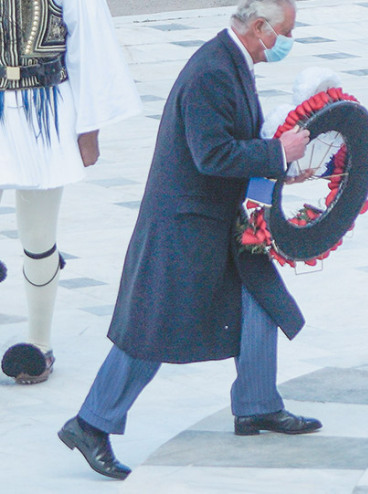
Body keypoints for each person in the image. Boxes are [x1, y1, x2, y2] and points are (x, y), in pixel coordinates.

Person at [58, 0, 320, 480]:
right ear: (260, 28)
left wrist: (278, 164)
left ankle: (257, 404)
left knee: (260, 300)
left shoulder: (230, 61)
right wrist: (277, 152)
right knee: (153, 328)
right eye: (286, 32)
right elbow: (212, 154)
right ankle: (90, 423)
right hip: (186, 225)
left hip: (219, 219)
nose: (286, 43)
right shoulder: (211, 72)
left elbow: (231, 143)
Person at [0, 0, 141, 384]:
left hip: (41, 110)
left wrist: (89, 128)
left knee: (38, 233)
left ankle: (38, 344)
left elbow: (90, 48)